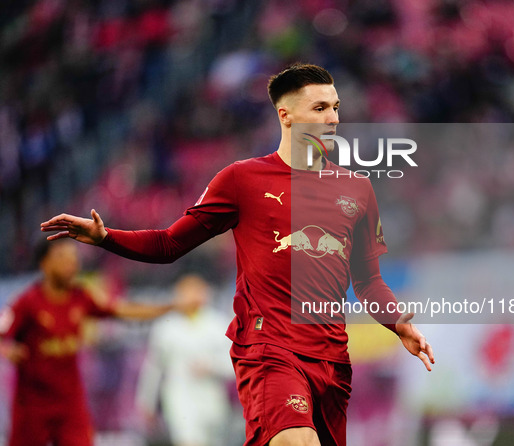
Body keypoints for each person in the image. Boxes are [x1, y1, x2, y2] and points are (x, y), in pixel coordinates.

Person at [40, 63, 435, 446]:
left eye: (335, 107)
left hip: (332, 358)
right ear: (287, 115)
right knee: (298, 441)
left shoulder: (357, 189)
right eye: (319, 108)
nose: (332, 118)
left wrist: (397, 323)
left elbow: (368, 280)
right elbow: (169, 245)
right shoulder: (241, 180)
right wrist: (107, 236)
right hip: (270, 349)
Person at [0, 238, 185, 446]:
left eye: (74, 257)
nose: (71, 262)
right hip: (33, 406)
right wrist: (6, 349)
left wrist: (171, 306)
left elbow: (124, 309)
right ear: (44, 264)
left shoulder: (81, 297)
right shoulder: (26, 303)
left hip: (70, 404)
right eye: (62, 256)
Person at [135, 274, 233, 446]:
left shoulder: (218, 325)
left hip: (212, 399)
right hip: (179, 397)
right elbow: (154, 368)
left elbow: (234, 366)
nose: (191, 297)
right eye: (185, 293)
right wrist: (146, 402)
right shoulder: (166, 328)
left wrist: (212, 367)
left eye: (196, 291)